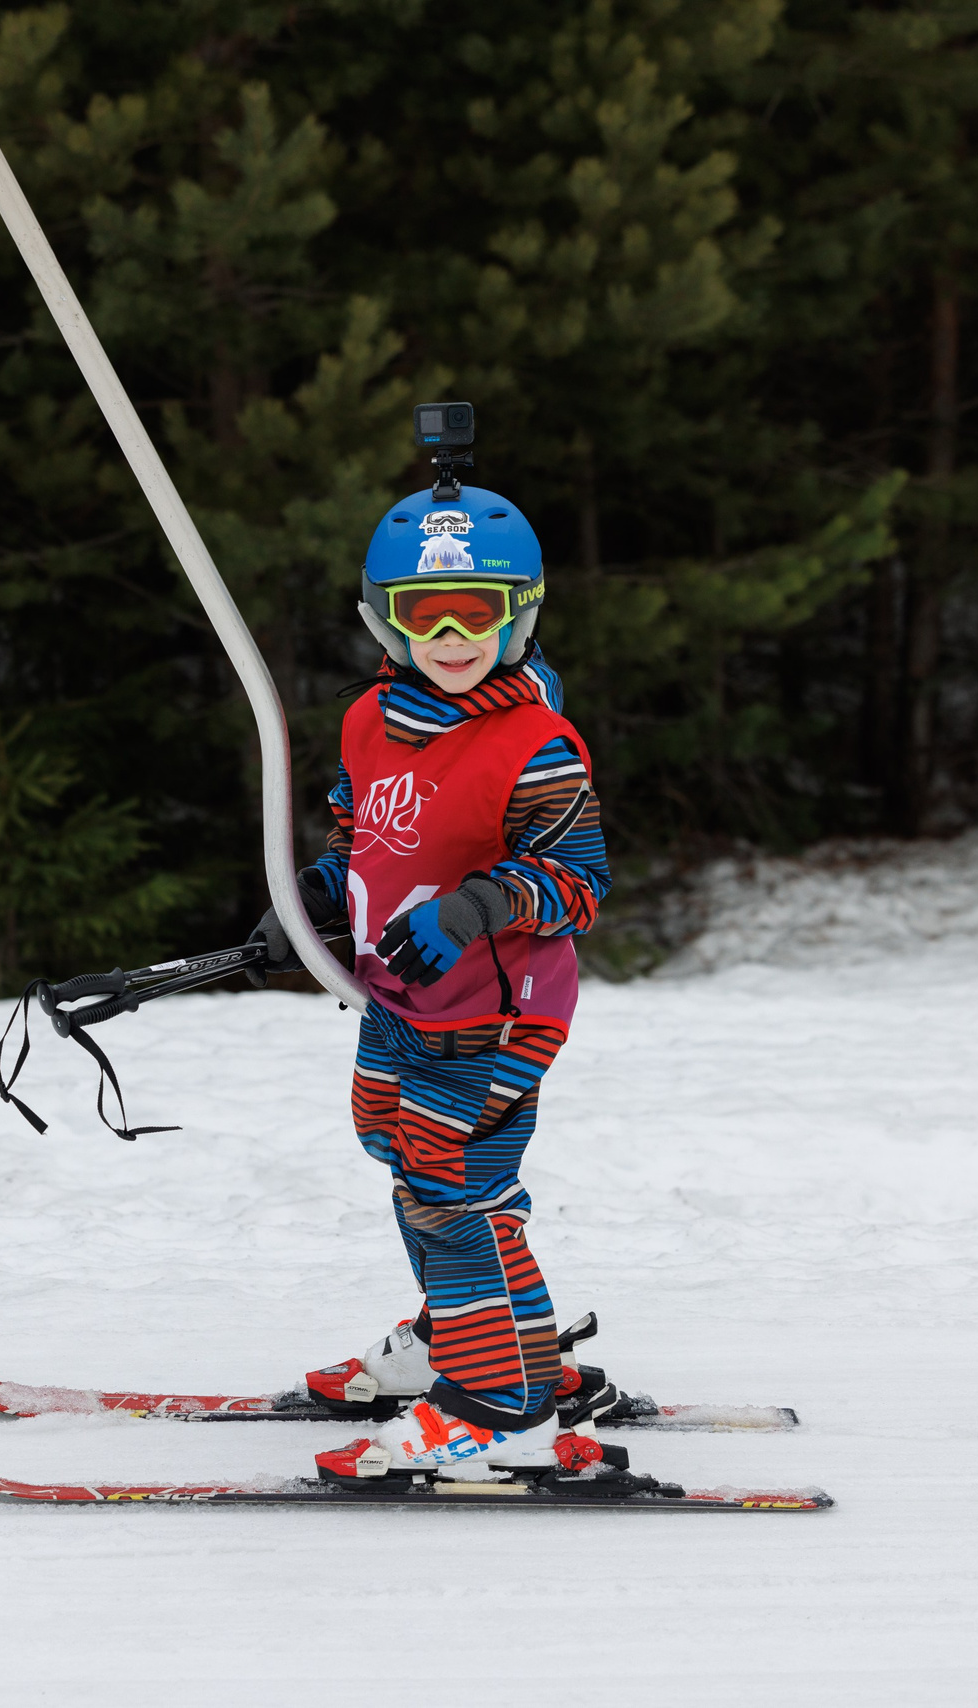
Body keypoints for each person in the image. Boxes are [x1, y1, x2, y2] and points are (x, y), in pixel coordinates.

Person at [251, 482, 615, 1480]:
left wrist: (477, 906)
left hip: (496, 1009)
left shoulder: (534, 745)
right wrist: (310, 903)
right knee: (401, 1150)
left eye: (479, 611)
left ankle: (494, 1406)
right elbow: (361, 839)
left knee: (444, 1182)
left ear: (522, 612)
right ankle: (492, 1345)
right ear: (384, 618)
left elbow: (579, 882)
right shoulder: (372, 721)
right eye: (424, 612)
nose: (451, 635)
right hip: (400, 997)